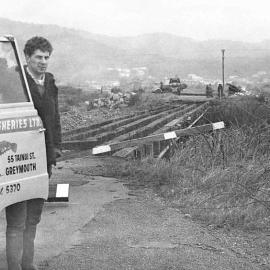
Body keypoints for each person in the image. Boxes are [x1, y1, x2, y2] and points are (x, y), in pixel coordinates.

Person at [5, 36, 62, 270]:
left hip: (42, 159)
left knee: (33, 218)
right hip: (19, 160)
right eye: (38, 57)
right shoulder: (14, 81)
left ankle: (27, 264)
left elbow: (55, 117)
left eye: (46, 57)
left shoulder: (49, 81)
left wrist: (56, 147)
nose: (43, 61)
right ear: (26, 57)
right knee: (17, 220)